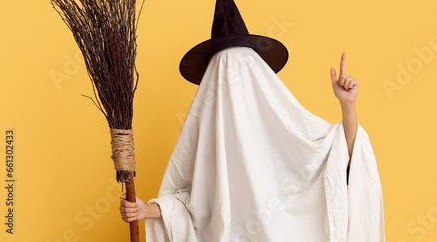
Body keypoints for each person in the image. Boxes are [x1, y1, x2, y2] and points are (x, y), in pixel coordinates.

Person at [119, 52, 359, 224]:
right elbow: (193, 206)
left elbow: (344, 162)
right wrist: (146, 210)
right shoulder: (206, 140)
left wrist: (347, 106)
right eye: (223, 77)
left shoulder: (286, 134)